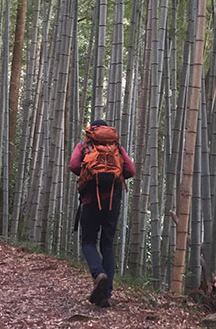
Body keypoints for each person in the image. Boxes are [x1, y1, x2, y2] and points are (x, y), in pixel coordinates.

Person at [68, 119, 135, 307]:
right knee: (107, 244)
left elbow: (73, 165)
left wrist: (88, 175)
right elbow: (131, 169)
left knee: (88, 241)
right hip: (113, 201)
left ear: (92, 131)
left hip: (90, 200)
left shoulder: (84, 145)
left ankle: (98, 274)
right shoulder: (117, 148)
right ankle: (105, 295)